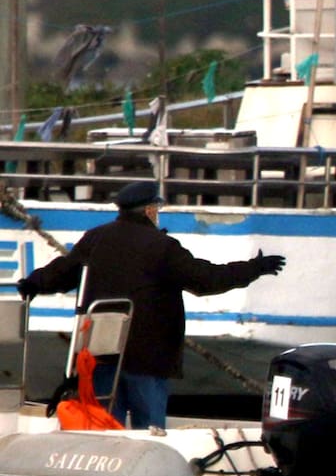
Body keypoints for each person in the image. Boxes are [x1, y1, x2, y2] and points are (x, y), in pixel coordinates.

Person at [17, 180, 286, 428]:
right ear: (148, 210)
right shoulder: (162, 247)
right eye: (157, 208)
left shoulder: (96, 238)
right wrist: (255, 268)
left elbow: (62, 272)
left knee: (104, 428)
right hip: (148, 357)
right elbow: (206, 279)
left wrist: (33, 283)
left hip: (102, 353)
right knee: (149, 430)